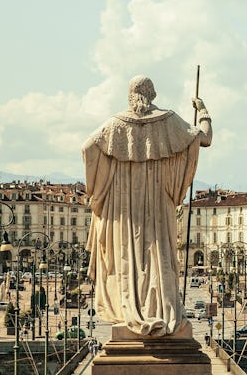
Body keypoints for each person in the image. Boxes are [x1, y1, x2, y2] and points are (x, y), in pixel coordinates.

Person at [84, 76, 213, 338]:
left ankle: (131, 308)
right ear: (152, 94)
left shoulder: (115, 124)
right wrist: (203, 111)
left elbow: (88, 148)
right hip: (159, 203)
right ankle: (162, 309)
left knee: (128, 259)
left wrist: (97, 188)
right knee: (159, 255)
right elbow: (205, 138)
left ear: (131, 95)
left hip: (124, 205)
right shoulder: (169, 120)